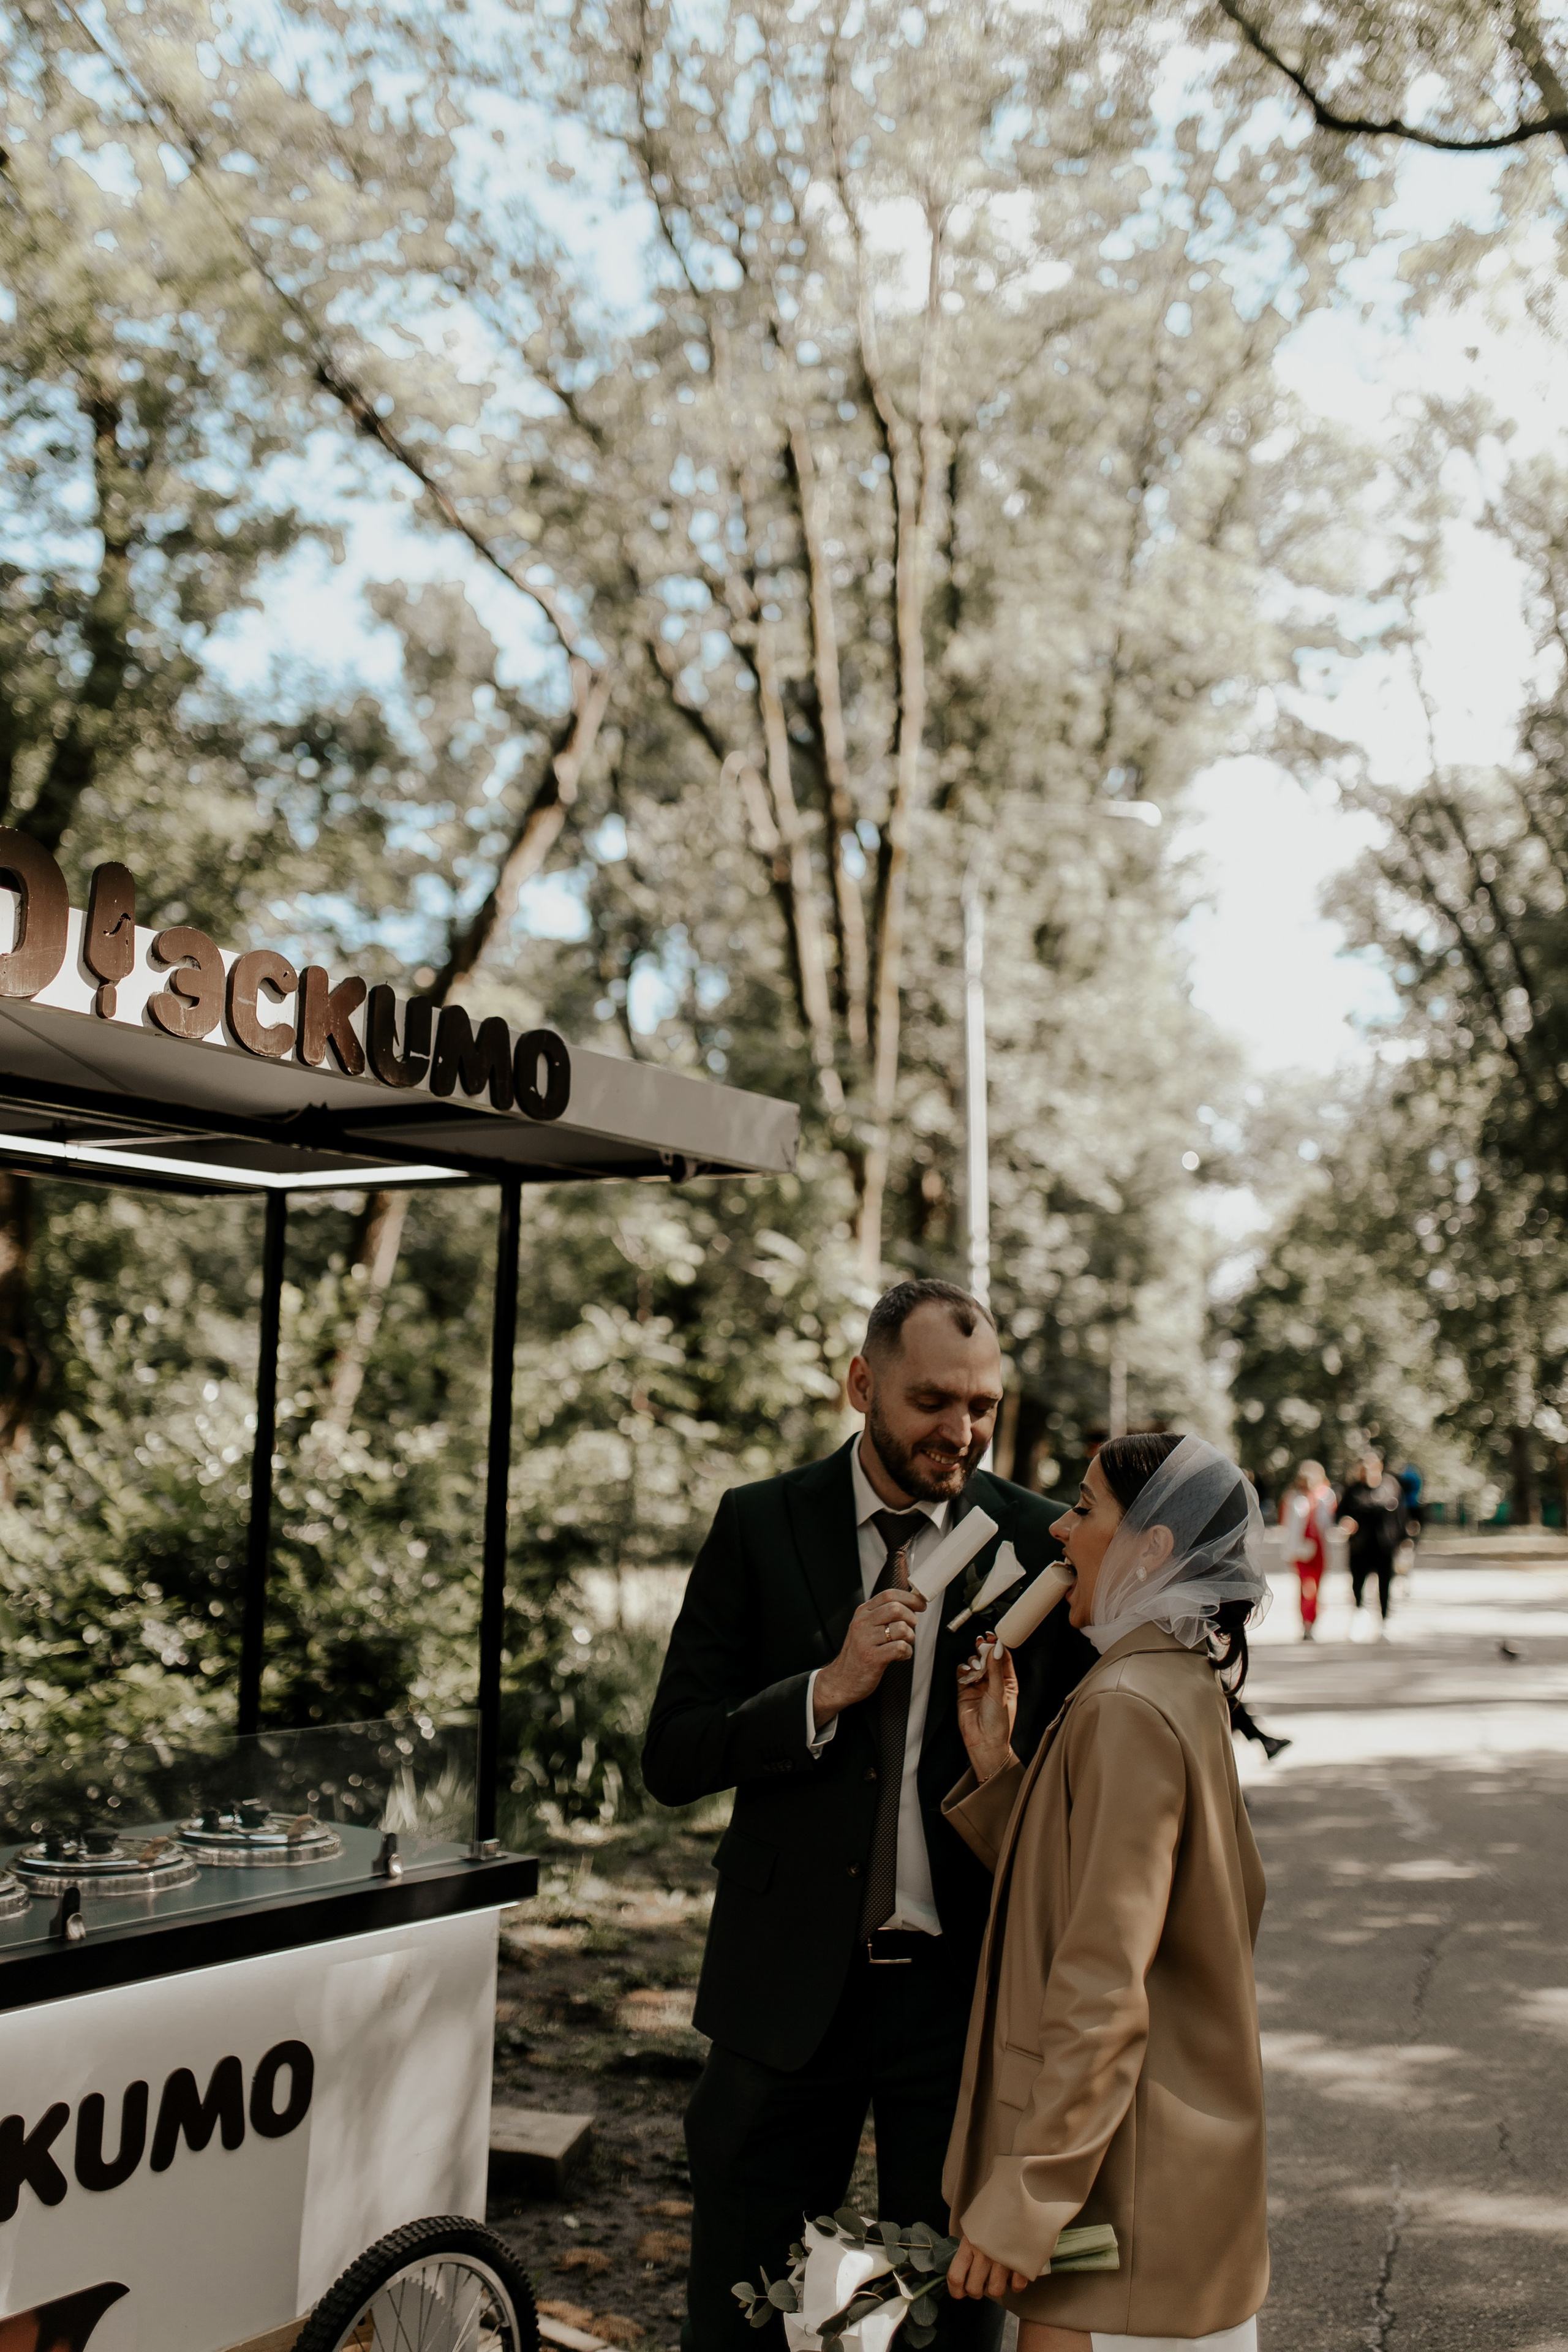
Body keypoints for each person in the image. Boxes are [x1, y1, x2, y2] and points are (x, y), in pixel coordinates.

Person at [643, 1279, 1095, 2351]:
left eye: (982, 1405)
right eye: (933, 1400)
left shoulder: (1040, 1541)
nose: (962, 1431)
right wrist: (823, 1690)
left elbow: (1077, 1791)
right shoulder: (760, 1523)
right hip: (783, 1984)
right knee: (741, 2310)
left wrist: (1000, 1765)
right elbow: (674, 1754)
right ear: (861, 1384)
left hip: (961, 1993)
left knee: (953, 2317)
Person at [941, 1431, 1272, 2349]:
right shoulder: (1174, 1681)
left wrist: (1028, 2193)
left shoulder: (1123, 1706)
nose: (1059, 1528)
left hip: (1113, 2186)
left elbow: (1104, 1981)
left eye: (1085, 1508)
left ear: (1152, 1547)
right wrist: (999, 1768)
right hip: (1150, 2165)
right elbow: (1112, 1896)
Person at [1336, 1452, 1414, 1637]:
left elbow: (1401, 1515)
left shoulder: (1391, 1486)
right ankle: (1359, 1614)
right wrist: (1346, 1523)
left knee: (1385, 1584)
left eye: (1371, 1467)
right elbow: (1340, 1515)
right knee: (1358, 1583)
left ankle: (1385, 1621)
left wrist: (1405, 1538)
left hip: (1385, 1546)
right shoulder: (1353, 1490)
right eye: (1363, 1468)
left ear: (1379, 1467)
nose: (1367, 1471)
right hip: (1360, 1547)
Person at [1279, 1458, 1334, 1641]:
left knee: (1316, 1588)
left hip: (1319, 1550)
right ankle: (1306, 1622)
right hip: (1301, 1551)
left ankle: (1312, 1620)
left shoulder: (1326, 1498)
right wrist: (1289, 1551)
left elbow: (1329, 1523)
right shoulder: (1294, 1499)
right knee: (1307, 1588)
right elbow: (1288, 1526)